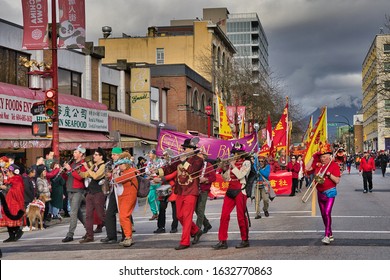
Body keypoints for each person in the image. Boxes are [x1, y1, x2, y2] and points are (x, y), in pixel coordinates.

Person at [212, 142, 251, 250]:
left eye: (237, 153)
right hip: (230, 190)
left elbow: (240, 175)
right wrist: (224, 168)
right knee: (224, 216)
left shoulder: (247, 162)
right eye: (234, 152)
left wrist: (233, 165)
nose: (235, 155)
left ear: (242, 153)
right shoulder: (232, 162)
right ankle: (222, 241)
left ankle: (245, 239)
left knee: (241, 217)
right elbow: (226, 178)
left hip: (240, 190)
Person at [167, 137, 203, 250]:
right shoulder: (181, 158)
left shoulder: (198, 160)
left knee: (187, 217)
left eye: (186, 149)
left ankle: (185, 241)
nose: (184, 150)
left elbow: (192, 170)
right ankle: (196, 231)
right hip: (180, 191)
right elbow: (169, 169)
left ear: (192, 149)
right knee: (179, 216)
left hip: (191, 191)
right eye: (184, 148)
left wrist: (184, 161)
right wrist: (157, 171)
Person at [306, 142, 341, 245]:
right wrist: (313, 157)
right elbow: (307, 169)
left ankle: (326, 235)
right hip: (320, 192)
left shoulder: (334, 166)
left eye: (324, 157)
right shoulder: (318, 166)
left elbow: (337, 180)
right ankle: (330, 233)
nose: (322, 159)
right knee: (323, 215)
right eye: (321, 157)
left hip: (330, 192)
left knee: (327, 212)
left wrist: (329, 175)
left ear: (330, 157)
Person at [78, 147, 106, 243]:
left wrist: (86, 168)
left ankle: (112, 231)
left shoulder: (103, 166)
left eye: (96, 155)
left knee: (101, 215)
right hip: (90, 192)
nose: (94, 156)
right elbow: (85, 174)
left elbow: (95, 176)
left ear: (101, 156)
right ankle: (90, 236)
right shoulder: (93, 165)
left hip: (98, 192)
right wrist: (77, 170)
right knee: (88, 215)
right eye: (94, 154)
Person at [61, 145, 87, 243]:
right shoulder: (72, 163)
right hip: (70, 189)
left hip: (78, 190)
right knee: (78, 212)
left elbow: (80, 177)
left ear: (81, 154)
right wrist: (63, 171)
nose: (74, 154)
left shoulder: (83, 164)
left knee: (73, 212)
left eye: (76, 152)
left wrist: (69, 170)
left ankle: (70, 234)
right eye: (74, 152)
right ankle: (89, 230)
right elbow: (67, 177)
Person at [113, 152, 138, 247]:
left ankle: (128, 237)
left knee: (124, 216)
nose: (119, 166)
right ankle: (127, 236)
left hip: (129, 196)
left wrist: (115, 174)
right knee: (122, 216)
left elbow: (118, 180)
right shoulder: (124, 171)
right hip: (122, 195)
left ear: (126, 163)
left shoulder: (131, 171)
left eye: (121, 164)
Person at [152, 150, 179, 234]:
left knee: (175, 209)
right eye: (164, 155)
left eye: (166, 155)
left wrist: (161, 178)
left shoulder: (176, 164)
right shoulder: (164, 164)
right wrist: (155, 172)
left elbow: (174, 173)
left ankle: (174, 227)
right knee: (162, 208)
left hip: (173, 186)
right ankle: (161, 227)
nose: (165, 157)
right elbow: (161, 172)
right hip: (164, 187)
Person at [100, 146, 122, 244]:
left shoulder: (124, 164)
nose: (112, 156)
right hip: (114, 190)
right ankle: (111, 236)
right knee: (109, 213)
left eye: (114, 154)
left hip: (122, 191)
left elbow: (122, 176)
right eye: (112, 154)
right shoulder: (113, 165)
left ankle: (126, 236)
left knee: (123, 214)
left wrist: (112, 175)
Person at [0, 164, 25, 242]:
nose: (6, 173)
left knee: (12, 218)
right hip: (9, 202)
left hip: (14, 203)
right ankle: (12, 235)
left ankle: (17, 232)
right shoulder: (12, 180)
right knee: (8, 219)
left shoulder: (16, 180)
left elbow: (17, 193)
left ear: (12, 172)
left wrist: (3, 187)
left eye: (8, 171)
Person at [195, 147, 216, 233]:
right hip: (195, 190)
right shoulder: (195, 165)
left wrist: (206, 179)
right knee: (196, 209)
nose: (198, 156)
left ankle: (197, 230)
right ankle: (207, 224)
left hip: (204, 190)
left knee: (200, 209)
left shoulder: (208, 165)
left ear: (204, 156)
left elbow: (213, 177)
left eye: (200, 154)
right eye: (198, 154)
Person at [145, 150, 163, 220]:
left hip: (158, 181)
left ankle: (160, 214)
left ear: (154, 154)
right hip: (152, 181)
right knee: (150, 197)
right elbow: (146, 170)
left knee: (158, 198)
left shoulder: (160, 161)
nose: (149, 155)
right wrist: (150, 171)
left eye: (150, 153)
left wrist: (154, 171)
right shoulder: (149, 162)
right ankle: (154, 213)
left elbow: (161, 170)